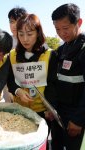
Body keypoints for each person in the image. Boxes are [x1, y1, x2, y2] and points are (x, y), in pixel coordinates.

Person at [0, 14, 57, 149]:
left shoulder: (50, 55)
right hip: (19, 111)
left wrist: (50, 107)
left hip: (42, 111)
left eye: (30, 34)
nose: (25, 39)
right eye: (21, 34)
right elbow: (10, 80)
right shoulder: (12, 55)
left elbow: (53, 84)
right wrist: (17, 91)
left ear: (38, 33)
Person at [50, 3, 85, 150]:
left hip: (75, 116)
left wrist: (78, 120)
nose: (62, 33)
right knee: (56, 145)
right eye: (57, 29)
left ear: (79, 22)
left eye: (65, 28)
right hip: (59, 115)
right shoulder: (61, 50)